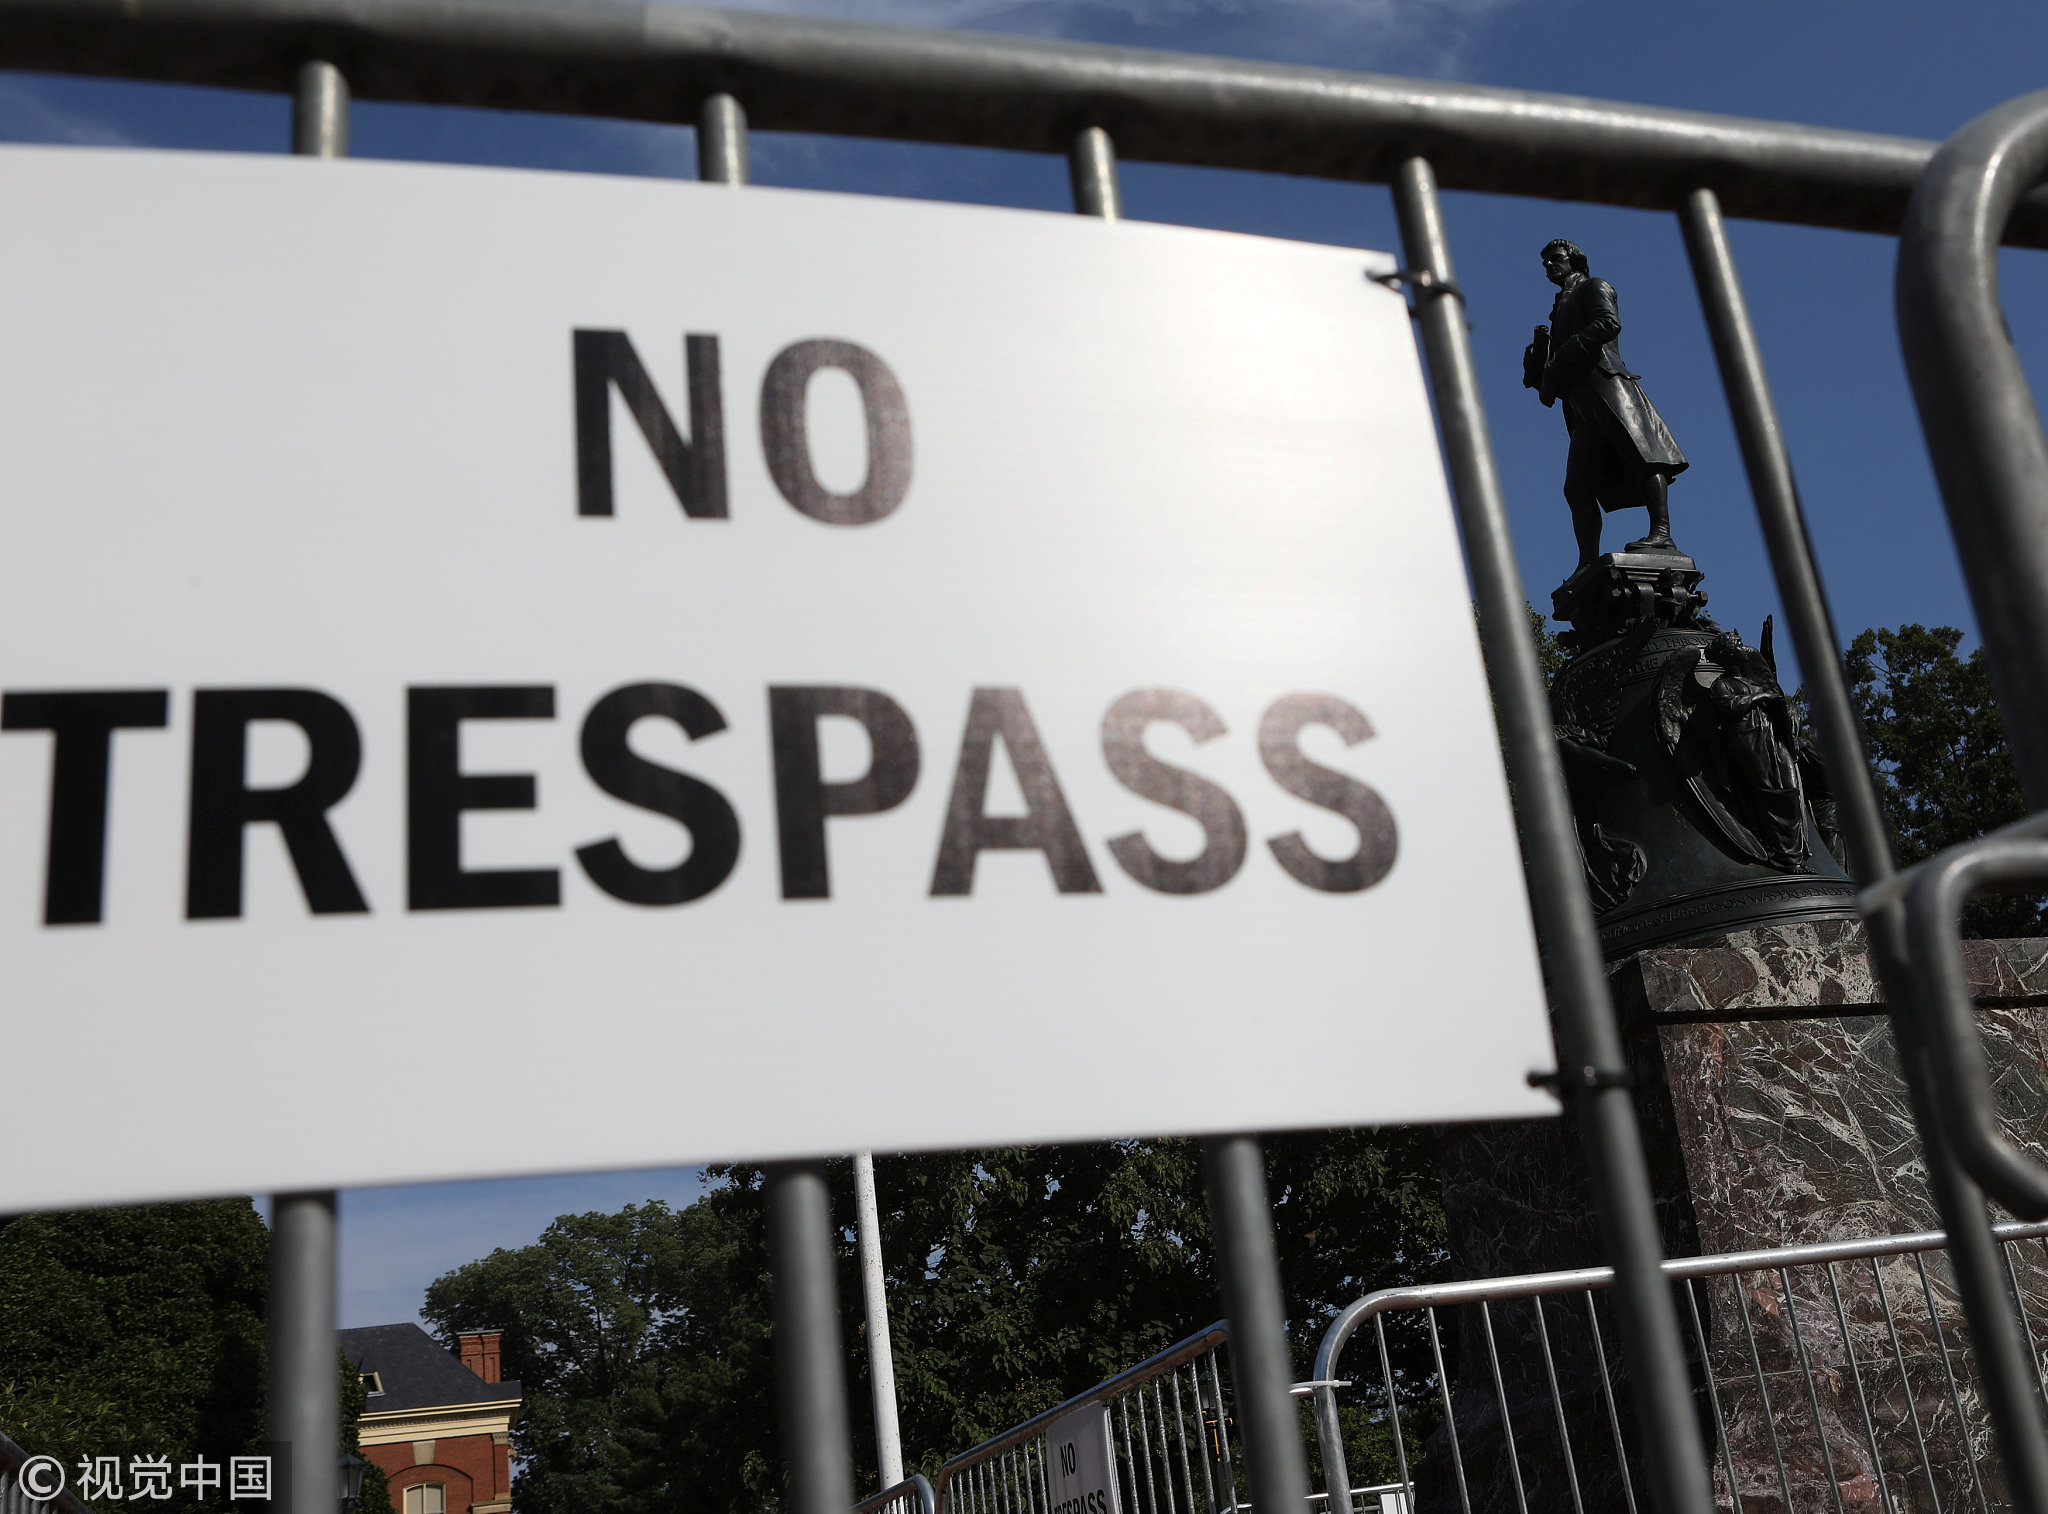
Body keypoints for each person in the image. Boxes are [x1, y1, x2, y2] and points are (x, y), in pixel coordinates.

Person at [1524, 239, 1688, 571]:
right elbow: (1552, 374)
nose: (1548, 266)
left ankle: (1662, 534)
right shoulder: (1559, 308)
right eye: (1544, 262)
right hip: (1580, 403)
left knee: (1643, 457)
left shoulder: (1594, 287)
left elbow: (1608, 323)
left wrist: (1564, 352)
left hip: (1607, 385)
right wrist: (1538, 366)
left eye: (1554, 259)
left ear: (1574, 260)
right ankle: (1586, 561)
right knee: (1577, 487)